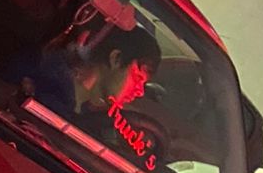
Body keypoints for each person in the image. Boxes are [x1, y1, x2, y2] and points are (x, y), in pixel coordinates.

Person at [13, 24, 161, 122]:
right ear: (116, 58)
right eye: (138, 77)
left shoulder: (85, 113)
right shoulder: (44, 83)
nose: (140, 91)